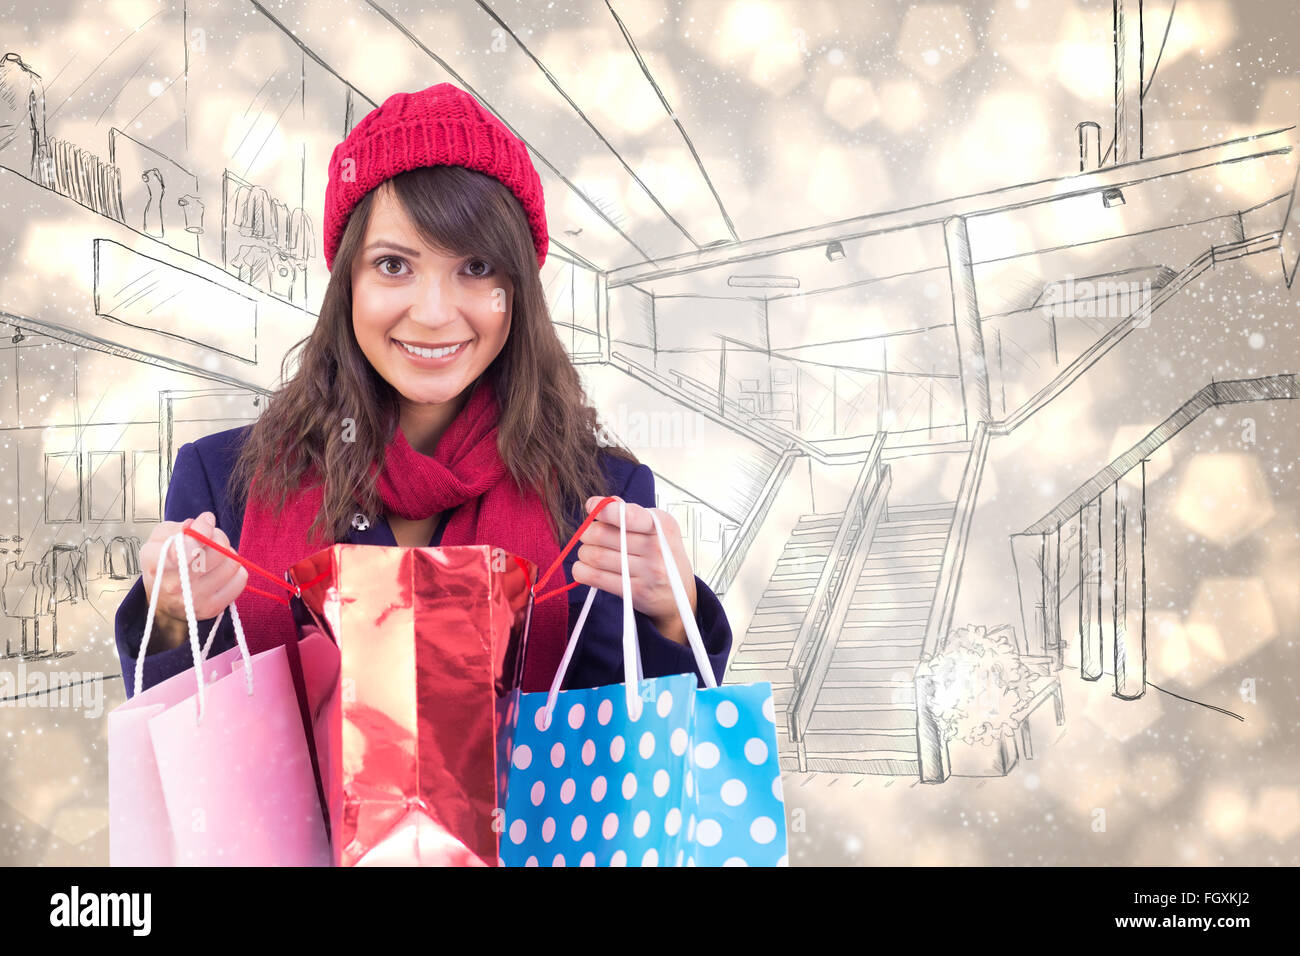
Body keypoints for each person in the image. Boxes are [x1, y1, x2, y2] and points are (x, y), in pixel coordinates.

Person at [114, 82, 732, 697]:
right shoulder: (224, 481)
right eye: (393, 265)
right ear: (347, 283)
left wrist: (670, 615)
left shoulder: (599, 497)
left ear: (516, 290)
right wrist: (169, 614)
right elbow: (185, 744)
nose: (434, 313)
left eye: (476, 267)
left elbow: (637, 757)